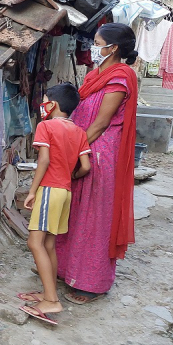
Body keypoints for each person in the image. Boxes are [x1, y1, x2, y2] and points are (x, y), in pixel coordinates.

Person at [55, 23, 139, 305]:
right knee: (75, 211)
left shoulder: (120, 77)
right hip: (82, 147)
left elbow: (102, 122)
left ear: (112, 48)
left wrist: (75, 148)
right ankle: (66, 270)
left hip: (101, 153)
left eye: (98, 42)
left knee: (94, 217)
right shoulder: (95, 75)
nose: (93, 46)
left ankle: (92, 282)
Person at [20, 84, 91, 325]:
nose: (44, 104)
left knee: (34, 241)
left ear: (54, 105)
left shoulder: (46, 126)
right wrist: (69, 178)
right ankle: (47, 292)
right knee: (49, 243)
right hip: (65, 192)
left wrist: (32, 191)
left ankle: (51, 300)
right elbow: (86, 167)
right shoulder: (79, 131)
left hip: (49, 190)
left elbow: (44, 160)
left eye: (46, 100)